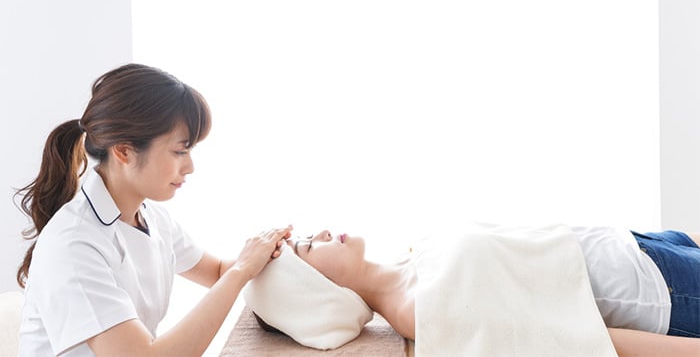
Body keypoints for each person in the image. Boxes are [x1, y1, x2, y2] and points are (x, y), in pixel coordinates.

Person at [15, 63, 293, 356]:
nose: (190, 167)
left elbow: (218, 272)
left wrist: (273, 253)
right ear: (124, 150)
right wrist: (240, 271)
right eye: (179, 151)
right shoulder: (72, 244)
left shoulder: (151, 218)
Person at [262, 226, 700, 357]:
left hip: (641, 246)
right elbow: (572, 341)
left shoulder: (409, 262)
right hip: (661, 290)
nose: (320, 232)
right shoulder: (419, 311)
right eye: (308, 247)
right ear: (314, 288)